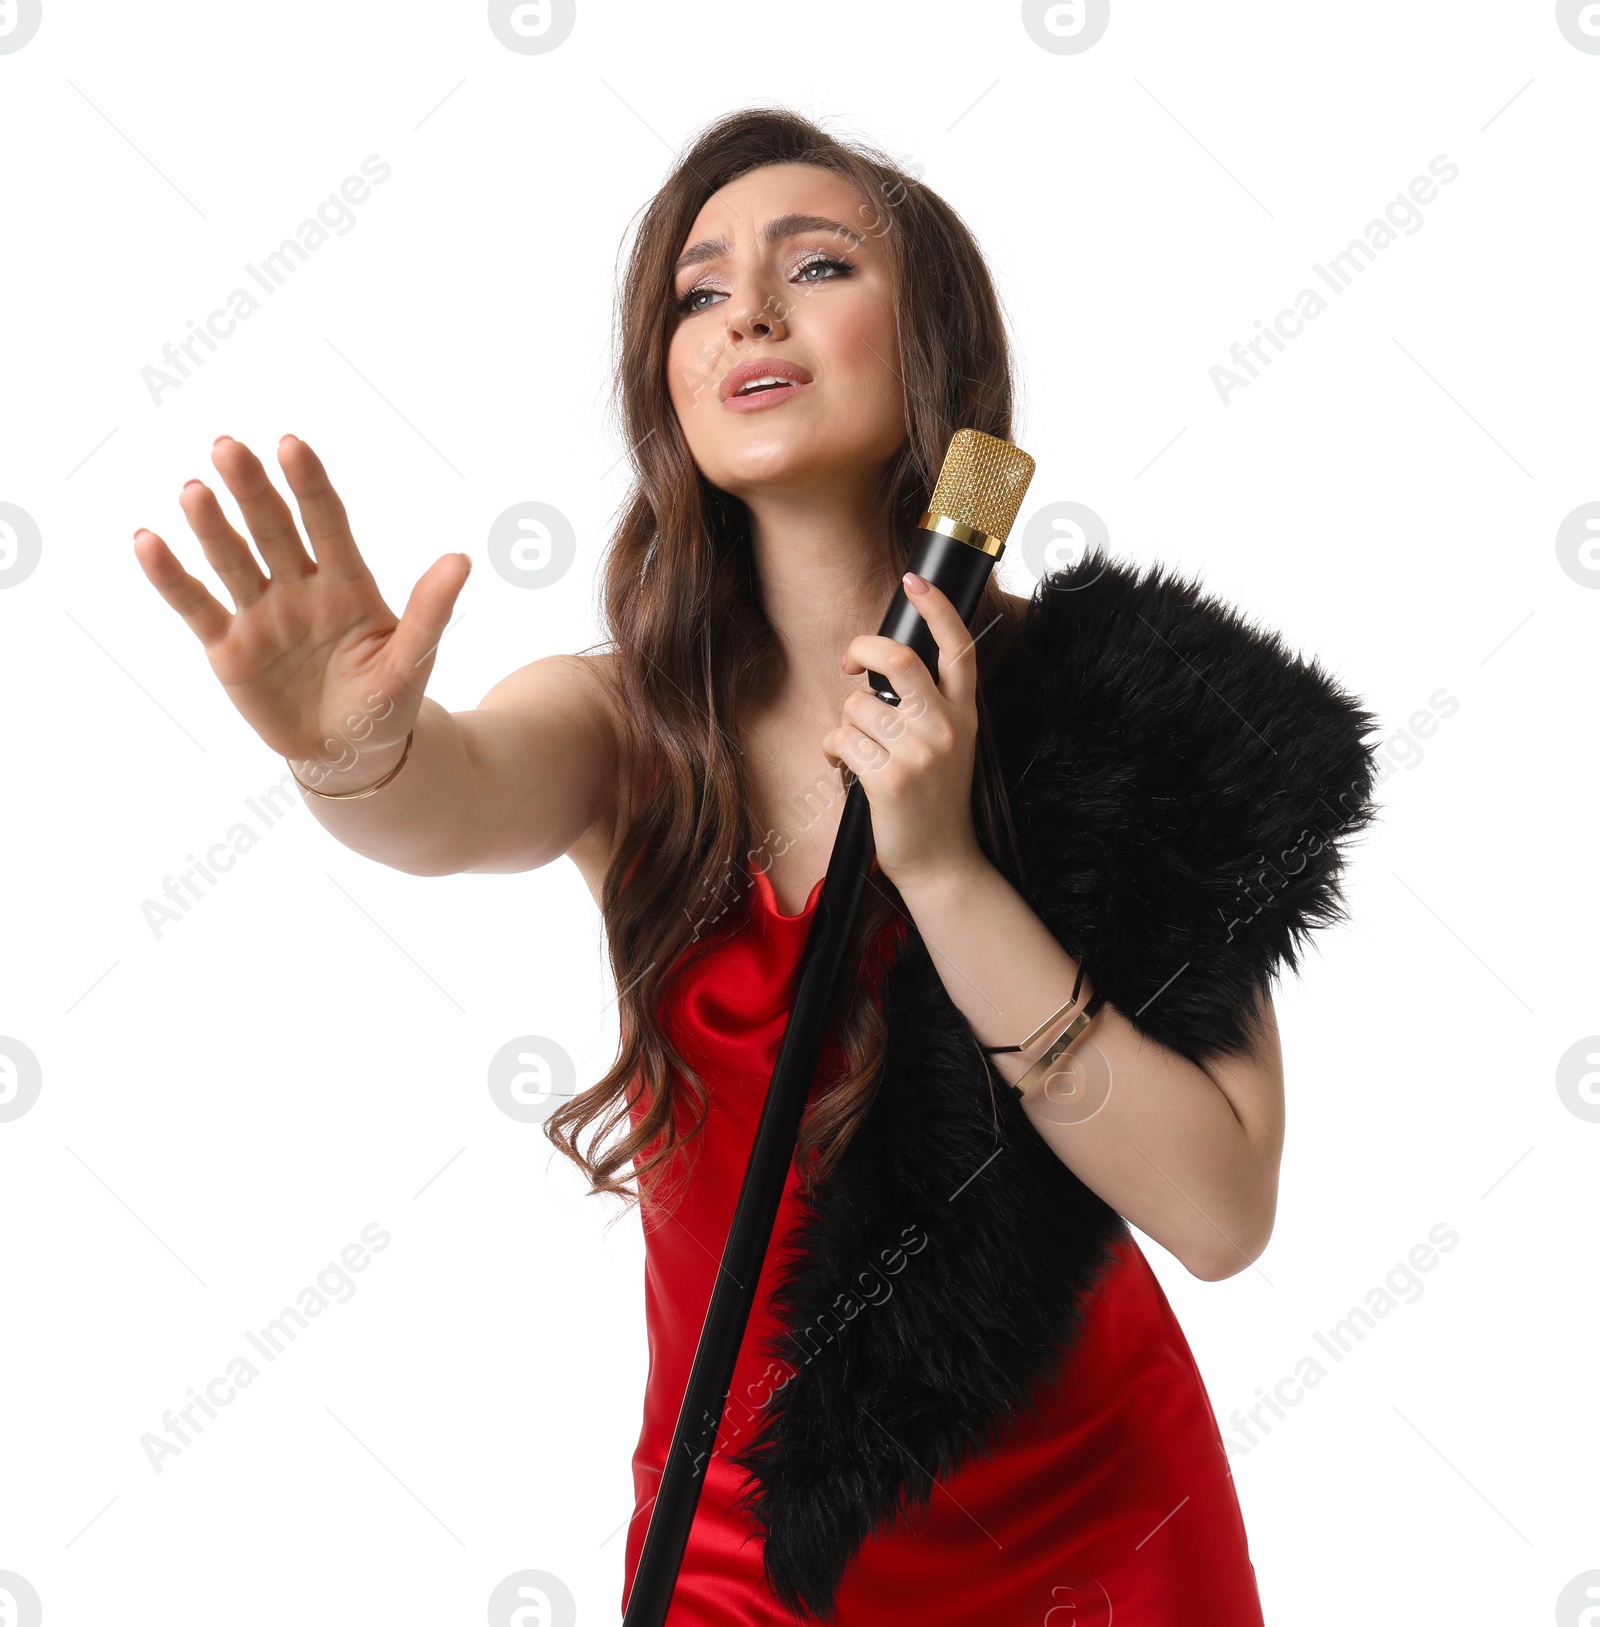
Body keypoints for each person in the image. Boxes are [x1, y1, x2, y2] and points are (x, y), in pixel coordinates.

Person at [133, 107, 1282, 1624]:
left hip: (1097, 1537)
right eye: (697, 289)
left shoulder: (1124, 722)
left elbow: (1219, 1214)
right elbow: (449, 793)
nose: (746, 308)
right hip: (744, 1556)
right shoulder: (628, 727)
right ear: (667, 382)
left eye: (814, 265)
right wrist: (347, 753)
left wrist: (943, 870)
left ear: (931, 341)